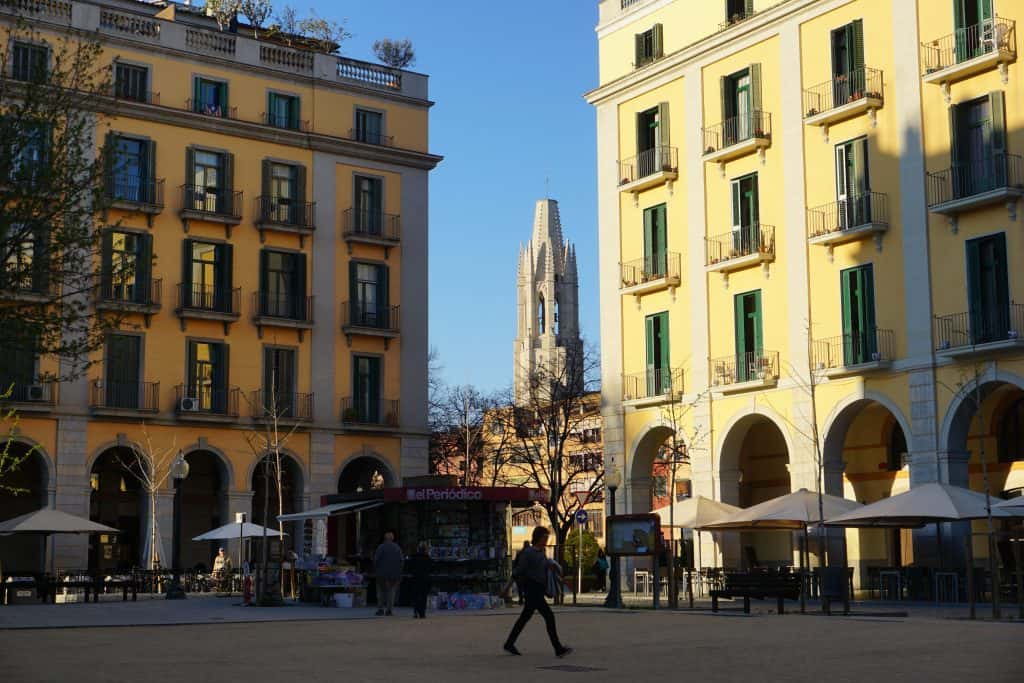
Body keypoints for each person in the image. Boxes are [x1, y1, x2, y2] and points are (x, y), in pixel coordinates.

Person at [503, 527, 572, 658]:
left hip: (539, 589)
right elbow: (517, 572)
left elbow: (543, 567)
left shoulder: (541, 552)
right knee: (548, 616)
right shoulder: (528, 553)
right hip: (532, 589)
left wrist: (552, 567)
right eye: (544, 537)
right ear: (538, 538)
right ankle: (558, 648)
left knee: (524, 618)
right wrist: (506, 588)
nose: (546, 540)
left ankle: (509, 643)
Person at [373, 531, 403, 616]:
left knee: (381, 592)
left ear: (384, 538)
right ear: (392, 538)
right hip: (394, 574)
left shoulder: (381, 547)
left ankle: (380, 609)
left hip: (381, 573)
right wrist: (399, 570)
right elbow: (401, 560)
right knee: (391, 592)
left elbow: (376, 560)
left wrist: (377, 569)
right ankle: (389, 610)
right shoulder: (397, 548)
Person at [408, 542, 432, 619]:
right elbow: (431, 569)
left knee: (416, 595)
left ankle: (415, 611)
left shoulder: (413, 557)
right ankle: (422, 612)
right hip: (424, 579)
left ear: (418, 549)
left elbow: (409, 568)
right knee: (423, 596)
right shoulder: (428, 558)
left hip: (415, 578)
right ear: (425, 550)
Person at [513, 541, 530, 605]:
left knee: (520, 588)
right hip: (527, 574)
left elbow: (515, 563)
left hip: (520, 574)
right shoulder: (529, 553)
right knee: (527, 588)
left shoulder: (520, 553)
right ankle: (525, 599)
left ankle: (521, 600)